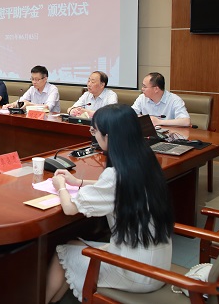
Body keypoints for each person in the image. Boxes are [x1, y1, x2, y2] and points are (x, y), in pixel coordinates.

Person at [45, 104, 174, 303]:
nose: (94, 135)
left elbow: (70, 208)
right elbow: (117, 187)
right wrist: (78, 182)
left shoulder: (115, 175)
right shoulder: (146, 161)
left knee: (60, 252)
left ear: (109, 136)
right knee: (71, 245)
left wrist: (61, 185)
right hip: (157, 265)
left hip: (134, 272)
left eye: (94, 131)